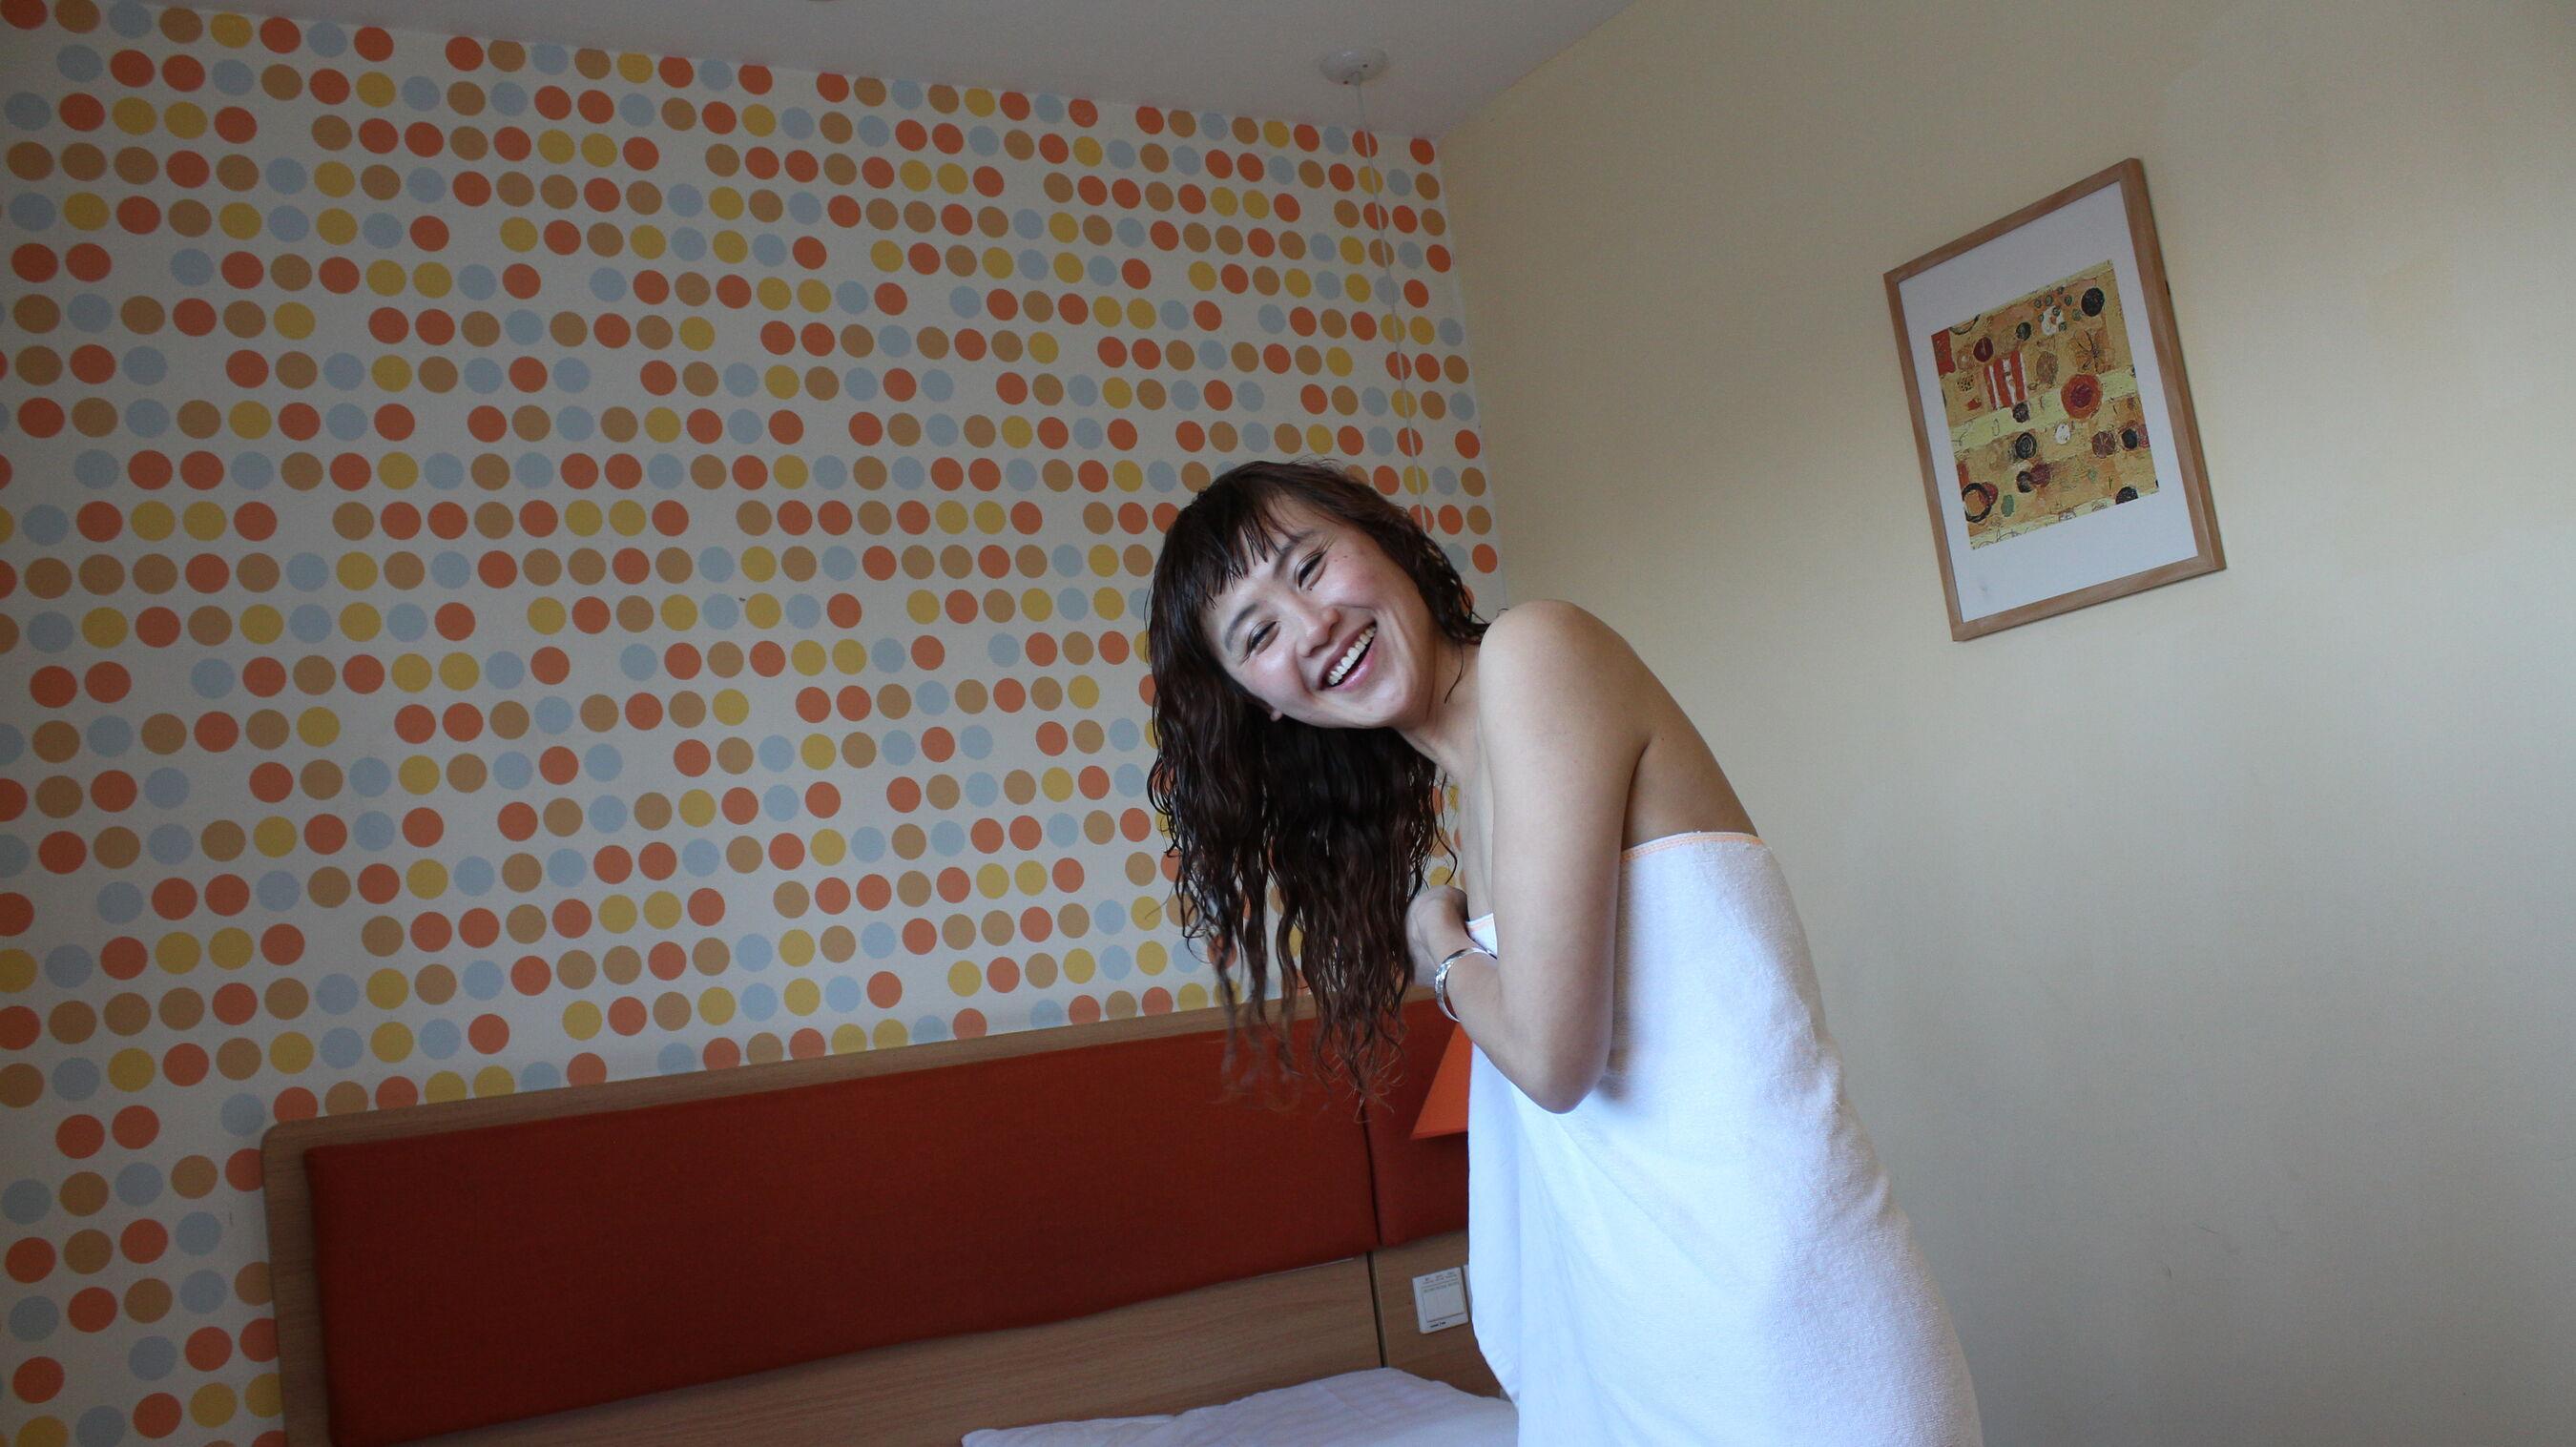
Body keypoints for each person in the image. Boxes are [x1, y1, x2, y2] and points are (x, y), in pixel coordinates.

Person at [1146, 458, 1984, 1444]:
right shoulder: (1479, 789)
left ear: (1382, 537)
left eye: (1309, 565)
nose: (1310, 623)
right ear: (1260, 701)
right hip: (1658, 1334)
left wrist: (1439, 947)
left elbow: (1553, 1057)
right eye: (1258, 633)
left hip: (1794, 1331)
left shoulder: (1538, 651)